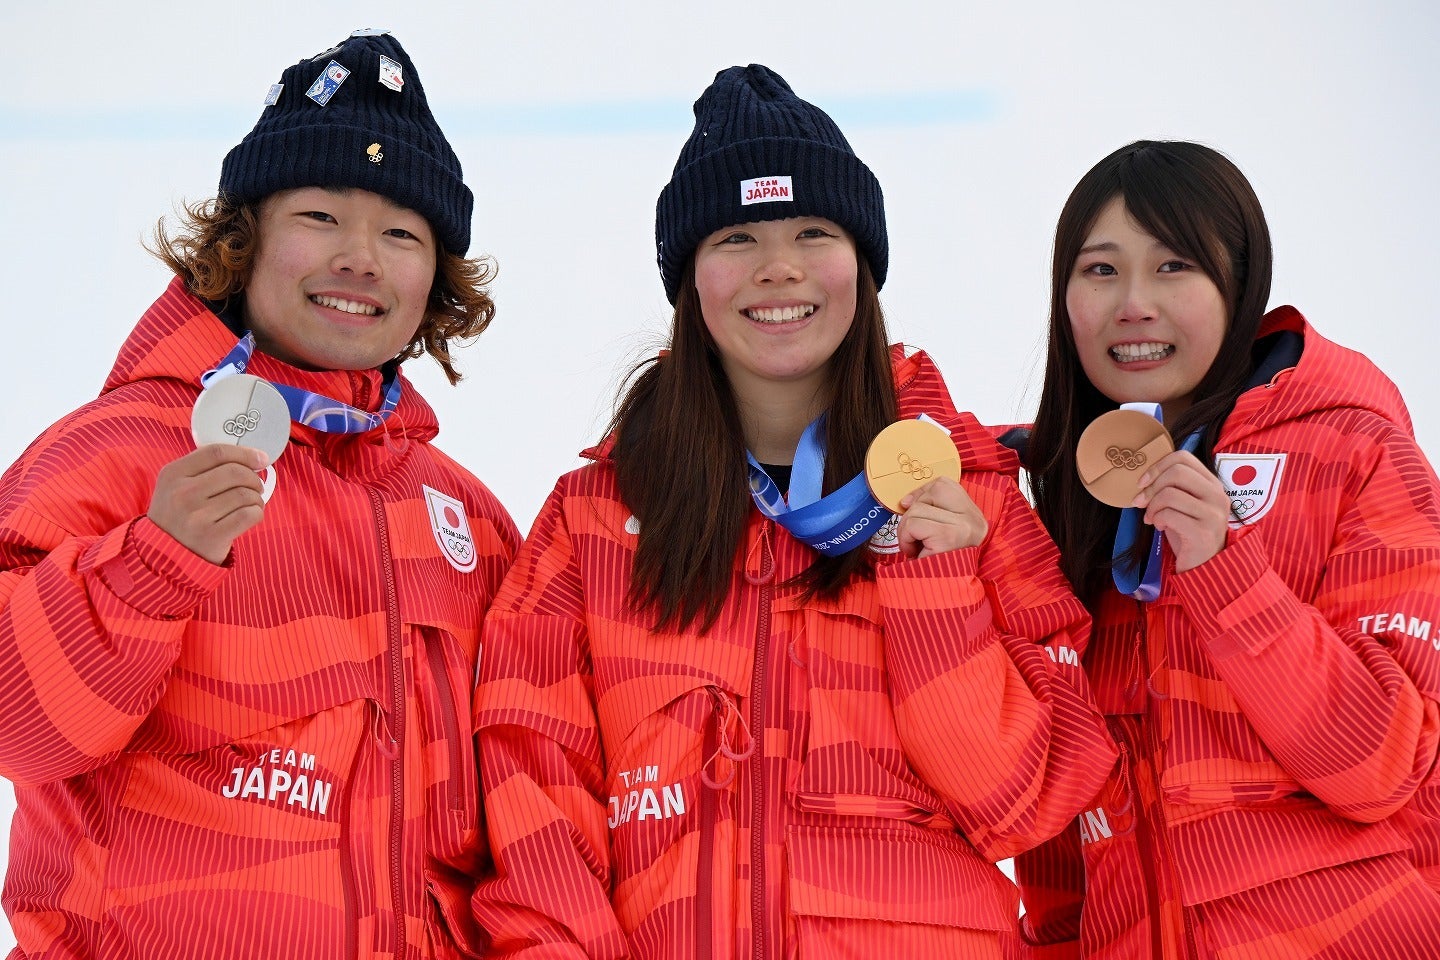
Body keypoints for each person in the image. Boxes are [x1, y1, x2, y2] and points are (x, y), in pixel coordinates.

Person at [472, 64, 1115, 958]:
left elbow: (1024, 803)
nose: (779, 268)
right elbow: (532, 797)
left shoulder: (973, 499)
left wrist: (938, 588)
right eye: (736, 236)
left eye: (814, 231)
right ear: (689, 277)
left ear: (862, 264)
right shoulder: (593, 520)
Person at [0, 30, 519, 959]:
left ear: (436, 279)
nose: (361, 257)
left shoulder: (467, 521)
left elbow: (523, 816)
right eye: (320, 216)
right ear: (242, 242)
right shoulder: (113, 454)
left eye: (402, 232)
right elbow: (18, 730)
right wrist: (148, 568)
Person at [1014, 140, 1440, 959]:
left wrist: (1226, 571)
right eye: (1100, 271)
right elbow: (1062, 848)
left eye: (1174, 267)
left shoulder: (1357, 455)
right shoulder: (1069, 497)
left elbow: (1381, 765)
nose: (1133, 303)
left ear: (1240, 286)